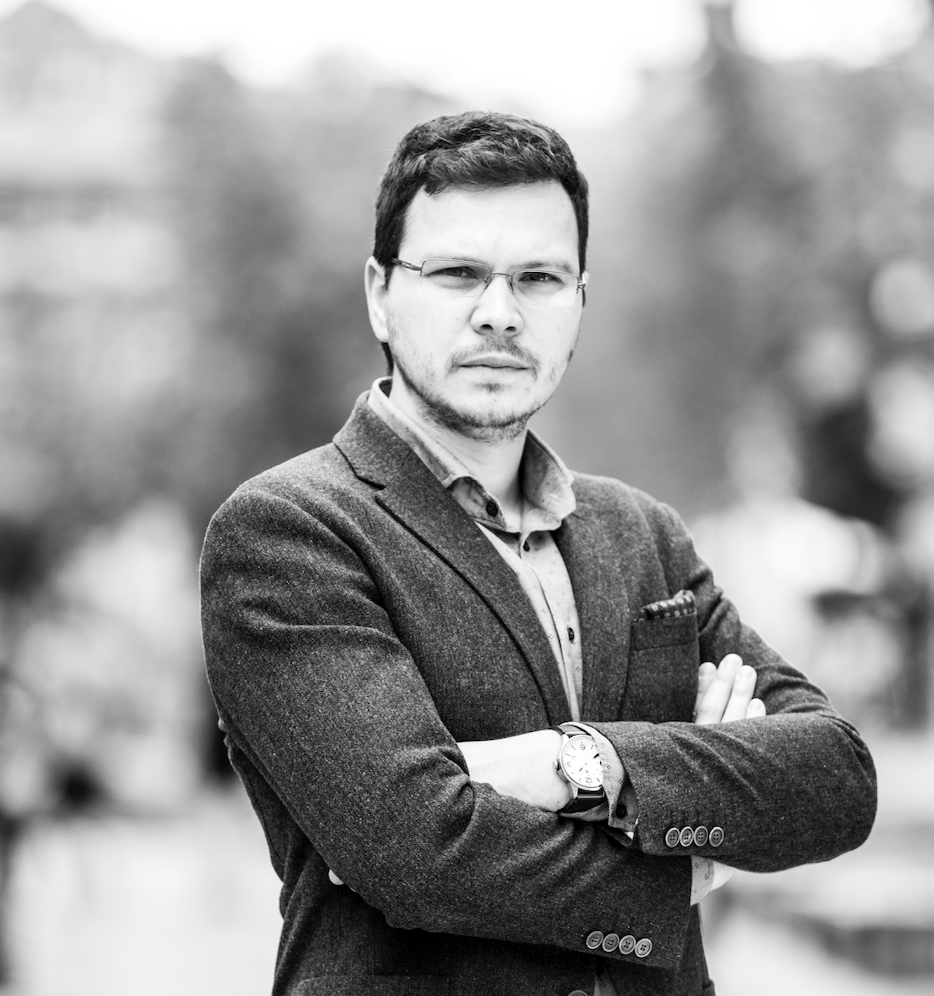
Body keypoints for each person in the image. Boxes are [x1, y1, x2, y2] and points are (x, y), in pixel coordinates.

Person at [200, 111, 877, 996]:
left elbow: (837, 780)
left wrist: (576, 764)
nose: (499, 313)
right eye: (457, 273)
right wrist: (689, 854)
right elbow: (415, 849)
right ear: (379, 293)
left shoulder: (641, 533)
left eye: (539, 278)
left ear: (580, 300)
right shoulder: (288, 532)